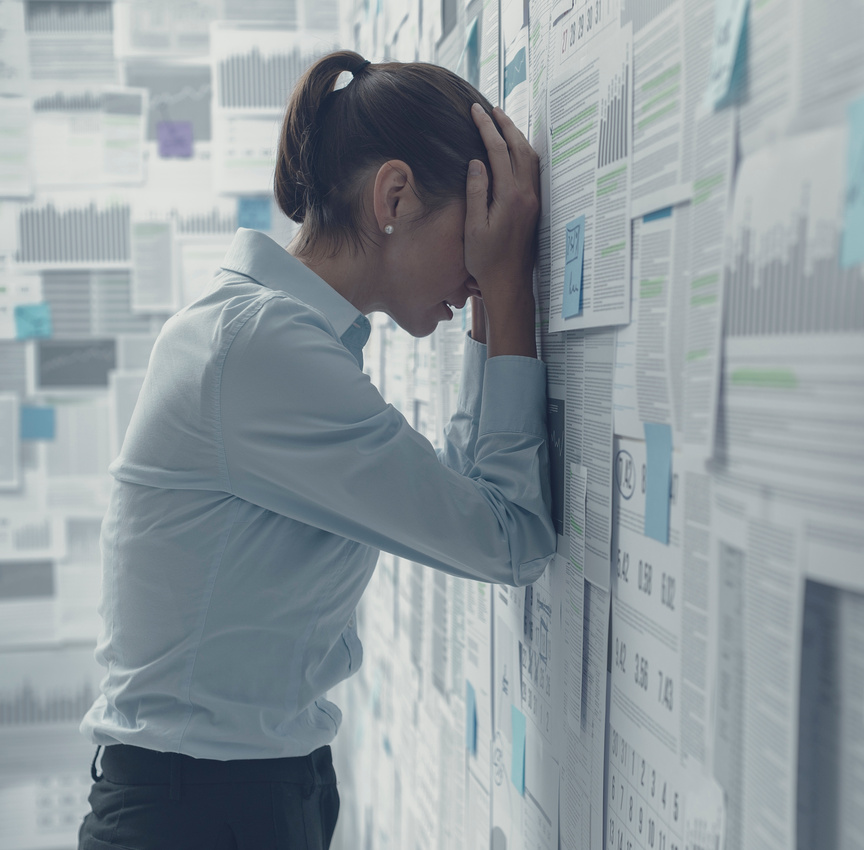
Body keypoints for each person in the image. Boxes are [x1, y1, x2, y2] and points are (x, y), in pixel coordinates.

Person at [76, 51, 551, 850]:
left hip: (234, 795)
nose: (475, 271)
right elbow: (509, 539)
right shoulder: (262, 351)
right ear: (393, 196)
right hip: (195, 814)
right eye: (472, 238)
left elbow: (477, 504)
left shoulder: (271, 337)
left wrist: (491, 306)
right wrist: (508, 292)